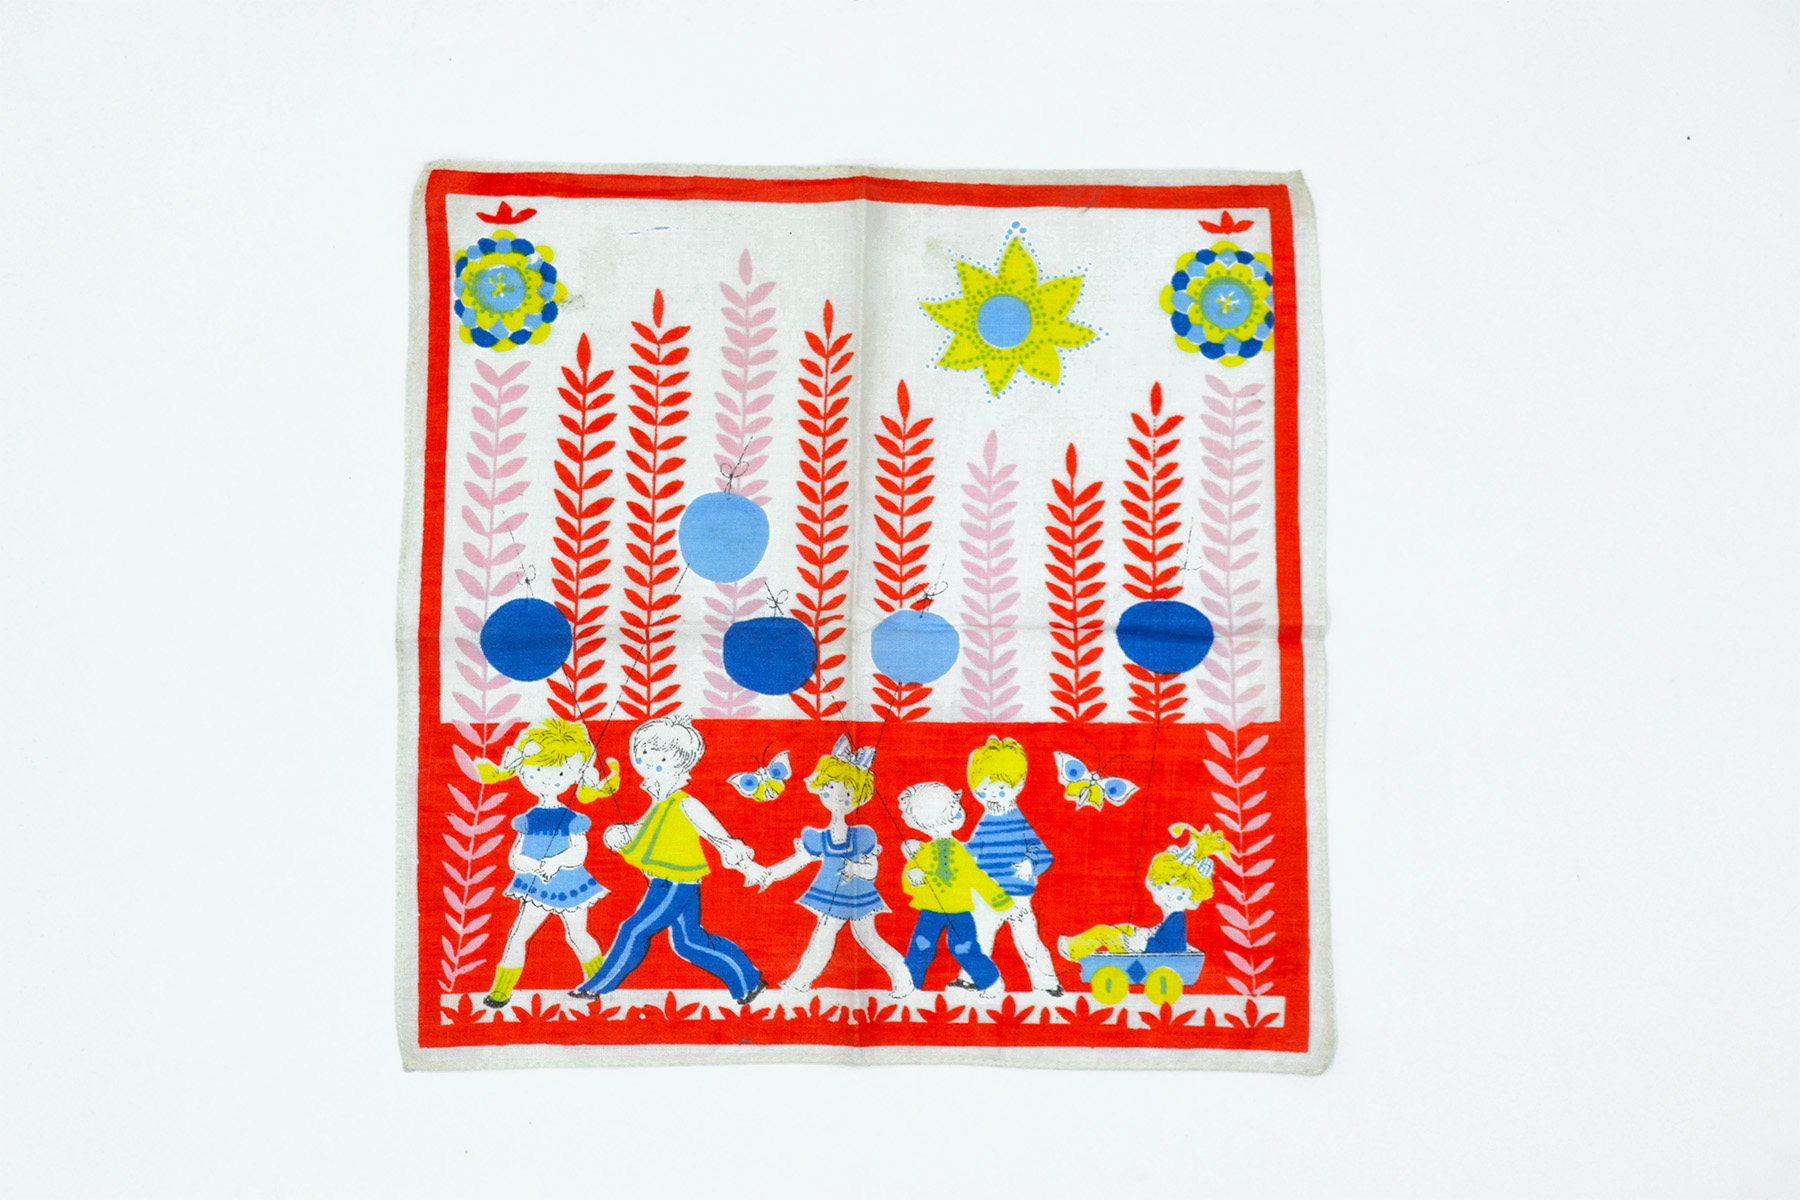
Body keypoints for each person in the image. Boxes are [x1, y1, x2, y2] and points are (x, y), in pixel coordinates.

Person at [570, 716, 768, 1005]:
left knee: (634, 930)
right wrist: (620, 833)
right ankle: (749, 981)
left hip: (674, 882)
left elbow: (720, 838)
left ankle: (597, 987)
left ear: (681, 764)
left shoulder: (686, 802)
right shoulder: (661, 803)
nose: (647, 765)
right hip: (669, 881)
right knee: (690, 943)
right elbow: (646, 829)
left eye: (659, 760)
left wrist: (747, 865)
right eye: (642, 758)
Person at [749, 737, 912, 997]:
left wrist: (856, 869)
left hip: (859, 897)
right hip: (832, 897)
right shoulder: (819, 837)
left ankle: (903, 979)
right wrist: (770, 874)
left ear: (858, 798)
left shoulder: (864, 835)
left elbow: (872, 870)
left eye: (845, 795)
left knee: (865, 939)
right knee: (829, 936)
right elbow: (798, 861)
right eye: (828, 792)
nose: (835, 799)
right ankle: (800, 982)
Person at [474, 718, 618, 1008]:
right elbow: (515, 857)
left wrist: (554, 863)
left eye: (559, 773)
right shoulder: (527, 819)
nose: (546, 778)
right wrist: (528, 863)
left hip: (571, 886)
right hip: (536, 886)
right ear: (523, 770)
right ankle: (500, 992)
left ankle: (599, 983)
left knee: (577, 934)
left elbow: (579, 852)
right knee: (518, 935)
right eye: (537, 770)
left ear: (573, 775)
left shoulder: (573, 818)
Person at [949, 736, 1063, 995]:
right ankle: (971, 978)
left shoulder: (1018, 822)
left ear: (1018, 785)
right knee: (979, 937)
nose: (991, 798)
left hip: (1016, 896)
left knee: (1028, 941)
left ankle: (1047, 982)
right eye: (982, 792)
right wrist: (951, 849)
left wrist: (1030, 864)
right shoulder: (986, 821)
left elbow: (1043, 854)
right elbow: (972, 850)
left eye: (999, 791)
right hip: (987, 894)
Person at [895, 781, 1015, 999]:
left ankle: (991, 981)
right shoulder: (924, 852)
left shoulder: (959, 851)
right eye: (954, 808)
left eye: (956, 807)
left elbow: (976, 877)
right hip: (931, 909)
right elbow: (909, 876)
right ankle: (910, 985)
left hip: (959, 910)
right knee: (921, 946)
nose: (960, 812)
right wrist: (913, 876)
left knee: (963, 947)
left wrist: (999, 899)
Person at [1058, 823, 1232, 961]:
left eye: (1179, 894)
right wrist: (1141, 934)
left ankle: (1073, 950)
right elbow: (1161, 935)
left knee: (1103, 932)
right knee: (1125, 928)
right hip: (1145, 944)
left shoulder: (1176, 921)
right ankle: (1078, 947)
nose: (1166, 895)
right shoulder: (1173, 918)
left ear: (1191, 899)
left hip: (1146, 953)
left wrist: (1137, 941)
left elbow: (1166, 948)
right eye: (1162, 886)